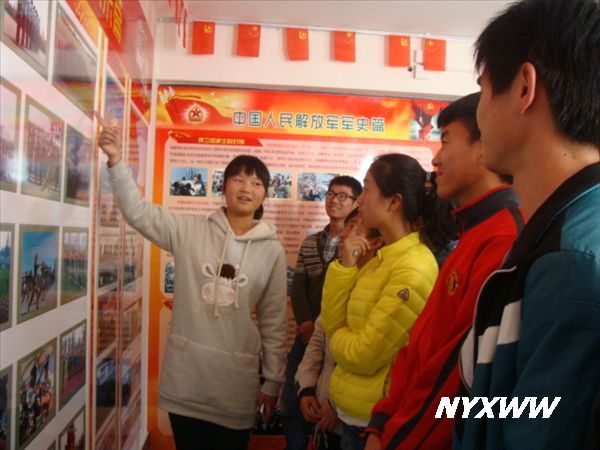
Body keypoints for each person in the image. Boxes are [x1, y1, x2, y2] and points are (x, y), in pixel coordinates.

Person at [455, 1, 600, 449]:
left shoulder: (572, 261)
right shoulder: (565, 233)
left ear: (523, 87)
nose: (479, 113)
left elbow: (539, 423)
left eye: (482, 90)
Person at [97, 118, 288, 450]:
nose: (246, 188)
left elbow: (274, 321)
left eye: (256, 183)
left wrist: (272, 381)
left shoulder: (272, 251)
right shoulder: (189, 231)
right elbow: (139, 212)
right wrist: (116, 160)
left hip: (234, 385)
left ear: (264, 195)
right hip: (186, 380)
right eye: (238, 179)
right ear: (223, 187)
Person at [364, 93, 523, 450]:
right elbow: (419, 347)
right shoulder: (473, 231)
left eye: (446, 141)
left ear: (484, 145)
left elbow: (454, 380)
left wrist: (393, 438)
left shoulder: (504, 239)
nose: (435, 159)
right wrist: (381, 421)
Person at [320, 153, 453, 450]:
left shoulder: (413, 267)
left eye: (367, 189)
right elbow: (332, 320)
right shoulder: (381, 258)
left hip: (375, 422)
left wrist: (336, 337)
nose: (359, 200)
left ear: (393, 202)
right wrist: (344, 267)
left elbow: (364, 354)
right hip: (353, 413)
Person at [282, 175, 362, 450]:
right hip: (311, 332)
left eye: (342, 196)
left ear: (357, 203)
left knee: (329, 406)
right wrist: (306, 323)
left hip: (339, 336)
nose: (334, 200)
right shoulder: (310, 242)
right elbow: (298, 286)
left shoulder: (360, 247)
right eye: (330, 194)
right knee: (292, 402)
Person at [296, 209, 384, 450]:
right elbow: (320, 336)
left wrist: (336, 405)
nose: (344, 234)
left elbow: (364, 355)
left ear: (376, 241)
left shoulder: (383, 282)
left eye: (354, 226)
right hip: (324, 409)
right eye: (347, 226)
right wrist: (306, 388)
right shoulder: (342, 274)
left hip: (355, 417)